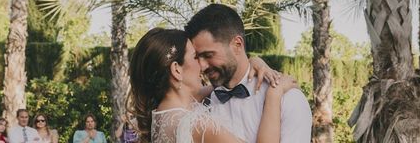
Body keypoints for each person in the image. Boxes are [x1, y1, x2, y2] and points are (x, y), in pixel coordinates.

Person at [127, 27, 299, 143]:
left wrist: (252, 62)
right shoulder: (197, 124)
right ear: (177, 70)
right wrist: (274, 94)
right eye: (195, 57)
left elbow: (224, 83)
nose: (202, 65)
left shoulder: (160, 115)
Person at [184, 4, 312, 143]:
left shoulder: (287, 99)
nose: (202, 67)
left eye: (208, 55)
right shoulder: (204, 103)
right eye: (198, 57)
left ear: (237, 45)